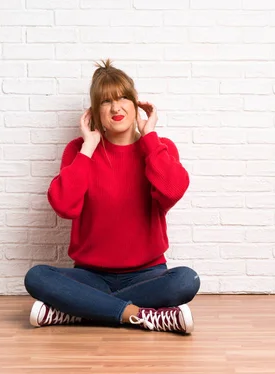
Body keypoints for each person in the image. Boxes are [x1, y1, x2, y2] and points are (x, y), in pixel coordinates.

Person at [23, 59, 200, 334]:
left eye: (122, 98)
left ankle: (77, 311)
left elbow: (173, 190)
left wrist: (149, 136)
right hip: (90, 276)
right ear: (95, 111)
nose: (116, 107)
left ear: (136, 104)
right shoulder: (80, 151)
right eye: (106, 102)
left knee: (186, 280)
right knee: (36, 277)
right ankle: (141, 315)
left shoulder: (159, 148)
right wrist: (88, 149)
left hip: (148, 275)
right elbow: (63, 206)